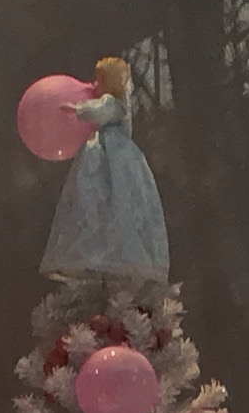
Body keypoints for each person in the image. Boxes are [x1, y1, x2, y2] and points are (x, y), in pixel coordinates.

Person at [41, 53, 170, 282]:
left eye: (99, 80)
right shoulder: (115, 111)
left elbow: (97, 110)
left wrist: (75, 109)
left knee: (108, 189)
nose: (93, 85)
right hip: (110, 154)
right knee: (105, 194)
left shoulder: (111, 103)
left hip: (110, 155)